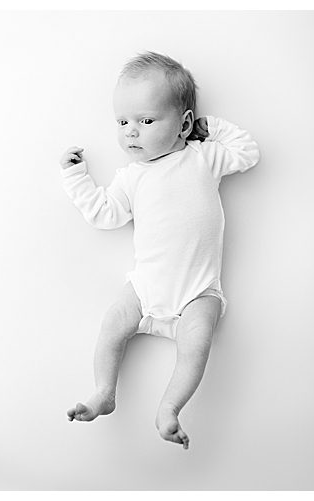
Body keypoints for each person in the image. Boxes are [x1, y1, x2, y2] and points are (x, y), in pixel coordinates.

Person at [58, 51, 259, 449]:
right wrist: (76, 177)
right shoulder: (131, 177)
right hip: (145, 288)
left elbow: (248, 153)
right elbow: (104, 214)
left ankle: (170, 407)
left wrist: (213, 128)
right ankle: (104, 391)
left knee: (196, 343)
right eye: (123, 122)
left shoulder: (202, 158)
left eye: (146, 121)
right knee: (113, 322)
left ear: (183, 124)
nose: (131, 132)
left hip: (198, 292)